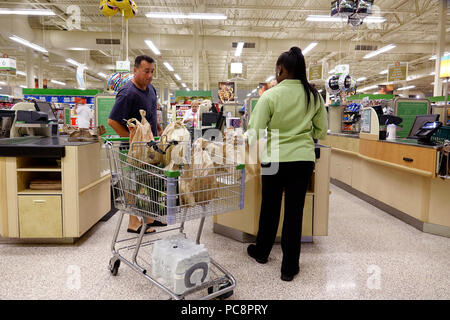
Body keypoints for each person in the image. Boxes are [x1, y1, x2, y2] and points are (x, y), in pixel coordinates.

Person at [246, 47, 328, 282]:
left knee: (270, 207)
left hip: (274, 159)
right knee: (295, 212)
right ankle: (289, 268)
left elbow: (255, 132)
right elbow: (321, 130)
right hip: (302, 160)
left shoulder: (270, 96)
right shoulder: (314, 96)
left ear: (280, 69)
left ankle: (261, 252)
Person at [108, 55, 165, 234]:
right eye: (146, 71)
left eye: (152, 71)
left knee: (148, 181)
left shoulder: (151, 89)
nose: (150, 75)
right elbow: (112, 121)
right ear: (135, 70)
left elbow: (152, 113)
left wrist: (159, 130)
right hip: (132, 150)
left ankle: (148, 217)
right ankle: (133, 222)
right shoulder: (127, 92)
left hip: (149, 147)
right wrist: (131, 140)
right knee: (132, 184)